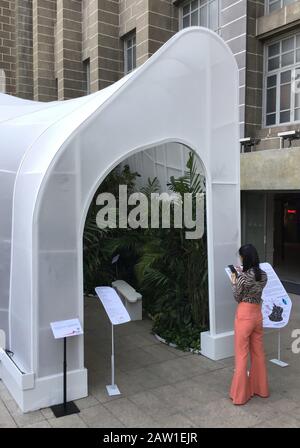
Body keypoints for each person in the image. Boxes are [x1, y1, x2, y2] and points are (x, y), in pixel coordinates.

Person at [229, 243, 270, 405]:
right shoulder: (264, 275)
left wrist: (234, 281)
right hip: (257, 315)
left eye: (241, 256)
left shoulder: (243, 278)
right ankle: (261, 389)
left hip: (244, 316)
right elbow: (254, 283)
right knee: (258, 353)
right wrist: (243, 273)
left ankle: (240, 396)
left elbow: (237, 297)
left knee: (241, 355)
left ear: (244, 258)